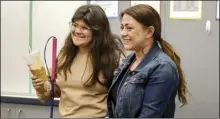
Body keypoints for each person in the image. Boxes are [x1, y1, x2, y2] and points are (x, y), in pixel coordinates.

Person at [31, 4, 124, 118]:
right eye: (75, 25)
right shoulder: (65, 56)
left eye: (84, 28)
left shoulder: (113, 58)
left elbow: (123, 99)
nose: (77, 31)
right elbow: (54, 92)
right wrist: (41, 87)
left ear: (98, 31)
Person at [106, 4, 189, 118]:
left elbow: (149, 115)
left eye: (129, 28)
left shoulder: (163, 68)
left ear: (149, 32)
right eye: (122, 27)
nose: (123, 33)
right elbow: (113, 107)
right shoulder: (128, 61)